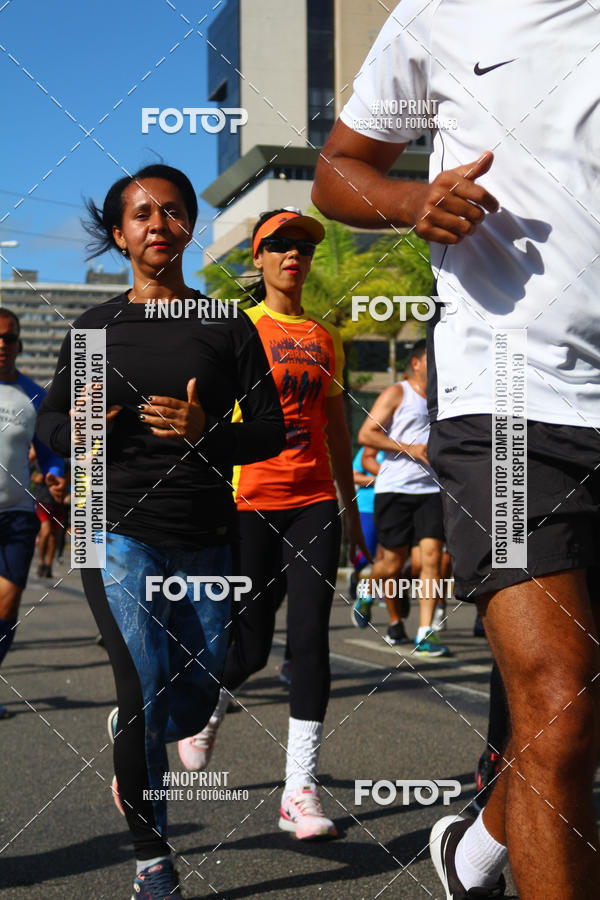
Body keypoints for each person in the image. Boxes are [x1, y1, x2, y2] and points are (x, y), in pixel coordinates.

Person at [312, 2, 600, 898]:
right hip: (508, 398)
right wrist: (409, 199)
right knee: (562, 699)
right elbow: (337, 170)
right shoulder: (443, 14)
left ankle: (474, 851)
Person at [36, 165, 285, 900]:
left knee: (195, 697)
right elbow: (53, 422)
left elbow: (269, 430)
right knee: (143, 689)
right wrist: (77, 429)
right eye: (141, 214)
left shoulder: (224, 324)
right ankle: (152, 858)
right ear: (119, 235)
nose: (158, 225)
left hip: (205, 531)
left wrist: (212, 431)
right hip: (111, 528)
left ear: (187, 228)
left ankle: (137, 730)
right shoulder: (95, 328)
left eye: (173, 212)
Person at [178, 207, 370, 840]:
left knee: (310, 638)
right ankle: (198, 709)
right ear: (256, 260)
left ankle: (299, 790)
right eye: (280, 245)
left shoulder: (325, 336)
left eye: (304, 246)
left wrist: (348, 504)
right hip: (251, 501)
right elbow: (201, 419)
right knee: (250, 650)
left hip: (315, 500)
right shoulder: (238, 329)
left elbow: (336, 428)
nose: (295, 255)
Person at [357, 341, 451, 657]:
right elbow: (366, 434)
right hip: (394, 489)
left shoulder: (444, 397)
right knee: (393, 563)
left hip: (430, 490)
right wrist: (408, 449)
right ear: (417, 363)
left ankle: (426, 632)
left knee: (431, 558)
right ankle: (368, 587)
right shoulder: (398, 393)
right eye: (431, 359)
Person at [0, 308, 65, 719]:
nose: (2, 344)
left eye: (9, 337)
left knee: (6, 608)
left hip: (18, 515)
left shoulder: (34, 395)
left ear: (19, 344)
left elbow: (49, 452)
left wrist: (57, 473)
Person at [348, 444, 383, 604]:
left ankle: (384, 592)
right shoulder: (369, 449)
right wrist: (379, 480)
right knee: (366, 553)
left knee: (388, 553)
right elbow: (353, 476)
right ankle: (355, 575)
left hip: (393, 507)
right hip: (368, 507)